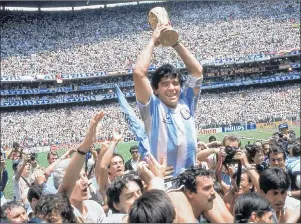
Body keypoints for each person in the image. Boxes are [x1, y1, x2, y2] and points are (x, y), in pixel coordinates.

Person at [133, 24, 203, 175]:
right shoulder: (153, 108)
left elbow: (197, 70)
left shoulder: (187, 102)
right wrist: (153, 40)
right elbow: (139, 72)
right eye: (165, 84)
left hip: (192, 179)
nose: (172, 88)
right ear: (156, 89)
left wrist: (174, 42)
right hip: (167, 183)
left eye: (176, 83)